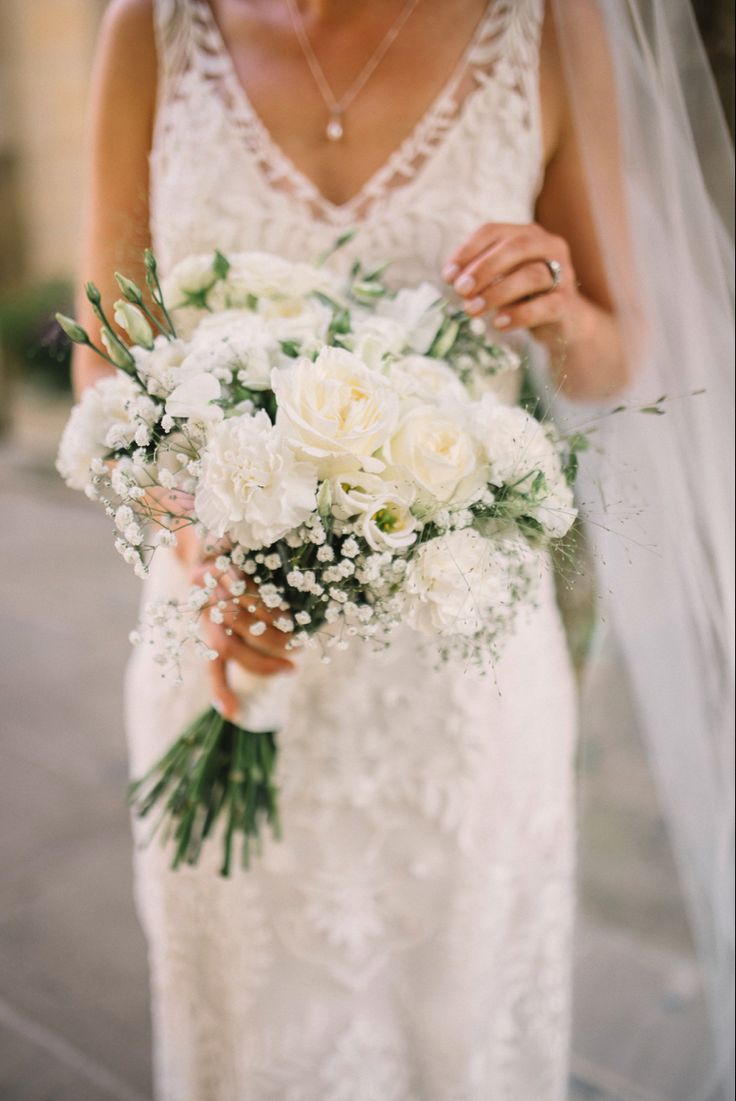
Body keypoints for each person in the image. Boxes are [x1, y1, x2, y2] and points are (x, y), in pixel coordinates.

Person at [72, 1, 734, 1098]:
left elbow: (614, 361)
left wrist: (561, 314)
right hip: (226, 640)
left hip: (459, 677)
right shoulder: (153, 27)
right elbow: (109, 360)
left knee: (458, 1034)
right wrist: (203, 548)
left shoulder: (548, 29)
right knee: (243, 1030)